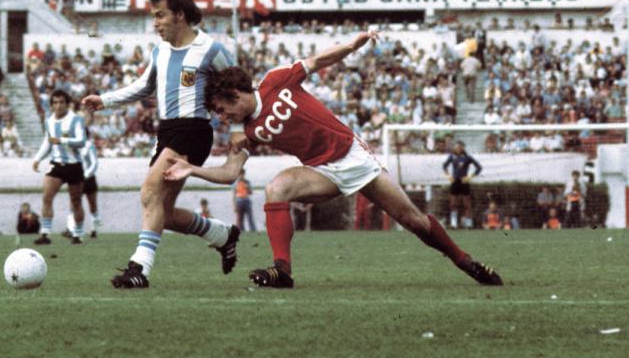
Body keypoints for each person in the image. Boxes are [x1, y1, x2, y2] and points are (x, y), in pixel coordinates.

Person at [166, 29, 503, 289]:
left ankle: (465, 262)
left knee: (413, 220)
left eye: (223, 110)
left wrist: (353, 45)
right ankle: (282, 270)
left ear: (235, 95)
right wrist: (191, 169)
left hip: (353, 156)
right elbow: (229, 174)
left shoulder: (275, 80)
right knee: (277, 188)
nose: (223, 118)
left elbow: (317, 61)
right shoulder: (249, 131)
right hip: (321, 171)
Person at [81, 0, 239, 289]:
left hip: (193, 130)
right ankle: (221, 235)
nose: (155, 23)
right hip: (167, 130)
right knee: (162, 212)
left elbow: (239, 89)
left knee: (149, 192)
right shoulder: (161, 51)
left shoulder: (212, 50)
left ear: (179, 15)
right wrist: (106, 99)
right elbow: (143, 86)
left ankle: (139, 268)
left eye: (160, 15)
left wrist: (235, 130)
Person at [31, 90, 88, 245]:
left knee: (76, 201)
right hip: (56, 164)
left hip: (74, 165)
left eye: (61, 102)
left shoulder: (75, 120)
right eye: (55, 102)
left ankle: (77, 234)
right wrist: (37, 158)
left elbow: (81, 141)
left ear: (67, 104)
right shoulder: (49, 121)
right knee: (47, 197)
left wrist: (62, 140)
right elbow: (48, 142)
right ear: (51, 105)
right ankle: (45, 234)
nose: (58, 105)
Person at [443, 141, 481, 229]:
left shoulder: (467, 157)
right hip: (455, 182)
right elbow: (444, 166)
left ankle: (469, 224)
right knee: (453, 204)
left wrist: (470, 177)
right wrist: (448, 175)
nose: (458, 149)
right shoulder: (452, 157)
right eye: (457, 147)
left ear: (463, 148)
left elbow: (478, 167)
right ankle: (453, 224)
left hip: (464, 182)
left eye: (460, 147)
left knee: (467, 204)